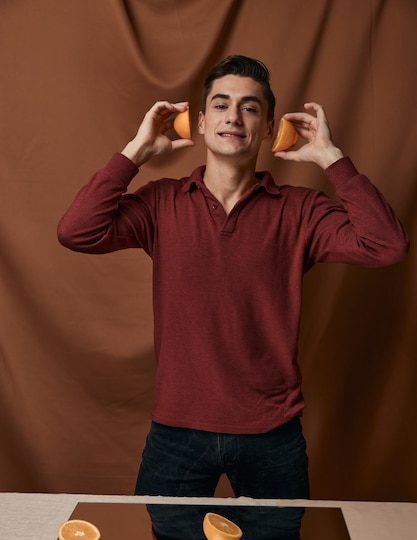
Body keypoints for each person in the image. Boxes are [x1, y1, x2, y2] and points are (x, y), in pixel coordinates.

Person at [57, 55, 409, 504]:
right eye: (221, 106)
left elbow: (388, 246)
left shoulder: (300, 210)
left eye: (250, 107)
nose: (234, 117)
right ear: (200, 123)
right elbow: (76, 232)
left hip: (272, 435)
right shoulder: (162, 203)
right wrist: (135, 153)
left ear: (268, 128)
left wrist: (331, 158)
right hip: (176, 433)